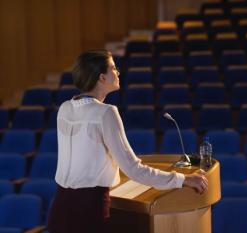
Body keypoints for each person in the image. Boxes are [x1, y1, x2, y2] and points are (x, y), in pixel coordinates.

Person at [47, 49, 208, 233]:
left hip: (59, 207)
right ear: (102, 78)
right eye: (114, 68)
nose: (118, 73)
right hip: (88, 210)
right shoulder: (106, 113)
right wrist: (184, 179)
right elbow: (133, 169)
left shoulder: (65, 108)